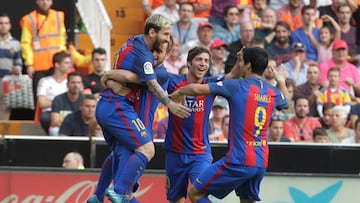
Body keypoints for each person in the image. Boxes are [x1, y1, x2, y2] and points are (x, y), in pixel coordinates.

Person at [170, 47, 289, 203]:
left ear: (248, 66)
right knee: (247, 200)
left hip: (238, 161)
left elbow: (196, 88)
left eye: (241, 61)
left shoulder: (237, 86)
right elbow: (285, 102)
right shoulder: (272, 91)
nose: (238, 64)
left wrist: (179, 92)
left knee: (195, 194)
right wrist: (281, 80)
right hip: (260, 162)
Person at [94, 14, 191, 202]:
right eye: (154, 51)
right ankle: (104, 194)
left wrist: (107, 76)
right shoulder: (142, 56)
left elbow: (132, 78)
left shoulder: (161, 74)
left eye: (160, 52)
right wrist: (108, 78)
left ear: (168, 55)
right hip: (126, 120)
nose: (154, 55)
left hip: (136, 125)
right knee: (124, 190)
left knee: (118, 164)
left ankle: (98, 196)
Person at [20, 0, 66, 103]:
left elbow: (62, 39)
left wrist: (64, 59)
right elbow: (25, 43)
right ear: (37, 1)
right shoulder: (29, 19)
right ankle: (39, 119)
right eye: (42, 0)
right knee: (39, 97)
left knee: (60, 94)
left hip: (57, 64)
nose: (45, 2)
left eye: (47, 0)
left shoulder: (58, 16)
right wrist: (29, 64)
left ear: (51, 2)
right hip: (39, 66)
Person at [37, 51, 71, 134]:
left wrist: (52, 102)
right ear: (57, 64)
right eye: (66, 63)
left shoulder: (70, 82)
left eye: (70, 63)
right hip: (49, 112)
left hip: (68, 111)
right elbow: (42, 103)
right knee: (45, 118)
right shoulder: (44, 81)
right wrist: (60, 103)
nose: (69, 65)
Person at [0, 12, 22, 120]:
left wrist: (17, 70)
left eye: (6, 23)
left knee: (4, 114)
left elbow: (19, 62)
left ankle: (2, 137)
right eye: (1, 23)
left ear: (10, 26)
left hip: (7, 82)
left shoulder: (15, 43)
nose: (3, 25)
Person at [49, 71, 84, 136]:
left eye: (78, 83)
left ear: (81, 85)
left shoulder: (85, 100)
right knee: (54, 131)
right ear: (67, 84)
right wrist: (71, 127)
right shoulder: (58, 99)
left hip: (81, 129)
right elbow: (55, 122)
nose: (76, 85)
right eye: (73, 82)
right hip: (63, 128)